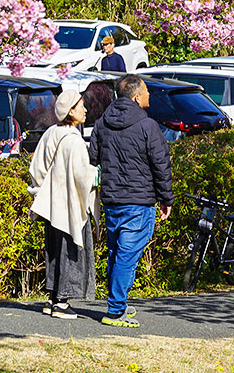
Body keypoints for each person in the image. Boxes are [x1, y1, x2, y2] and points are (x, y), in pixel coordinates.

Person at [89, 74, 173, 328]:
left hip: (112, 199)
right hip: (139, 200)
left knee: (116, 253)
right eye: (146, 91)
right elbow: (161, 164)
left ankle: (119, 302)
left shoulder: (102, 124)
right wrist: (166, 198)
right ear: (137, 97)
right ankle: (115, 310)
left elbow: (93, 159)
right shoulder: (147, 126)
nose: (149, 95)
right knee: (127, 256)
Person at [28, 90, 100, 319]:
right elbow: (81, 177)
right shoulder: (74, 141)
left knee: (54, 251)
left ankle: (52, 299)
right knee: (71, 252)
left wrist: (42, 191)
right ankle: (62, 303)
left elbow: (36, 169)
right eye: (81, 106)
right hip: (70, 206)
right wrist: (97, 175)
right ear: (70, 111)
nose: (85, 110)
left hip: (50, 204)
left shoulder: (50, 133)